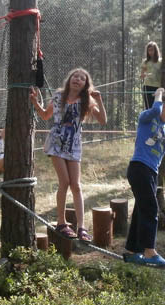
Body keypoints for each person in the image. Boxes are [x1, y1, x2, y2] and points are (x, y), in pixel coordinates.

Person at [30, 68, 107, 242]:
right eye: (75, 76)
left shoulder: (86, 101)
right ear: (70, 79)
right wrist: (35, 102)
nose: (77, 79)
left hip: (74, 143)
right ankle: (61, 222)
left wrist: (99, 101)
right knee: (64, 182)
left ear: (85, 85)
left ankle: (81, 227)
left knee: (76, 185)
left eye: (82, 78)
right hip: (57, 141)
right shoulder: (58, 96)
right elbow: (45, 114)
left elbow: (103, 120)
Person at [125, 88, 165, 267]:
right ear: (160, 105)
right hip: (140, 168)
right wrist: (159, 94)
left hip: (151, 172)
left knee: (141, 210)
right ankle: (149, 251)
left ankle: (131, 251)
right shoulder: (146, 118)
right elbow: (155, 110)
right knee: (151, 209)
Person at [140, 41, 162, 110]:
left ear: (156, 50)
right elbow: (142, 74)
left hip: (158, 87)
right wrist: (143, 75)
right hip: (147, 86)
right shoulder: (145, 62)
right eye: (149, 50)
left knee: (157, 108)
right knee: (149, 108)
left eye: (152, 50)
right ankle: (149, 121)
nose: (150, 52)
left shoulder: (161, 61)